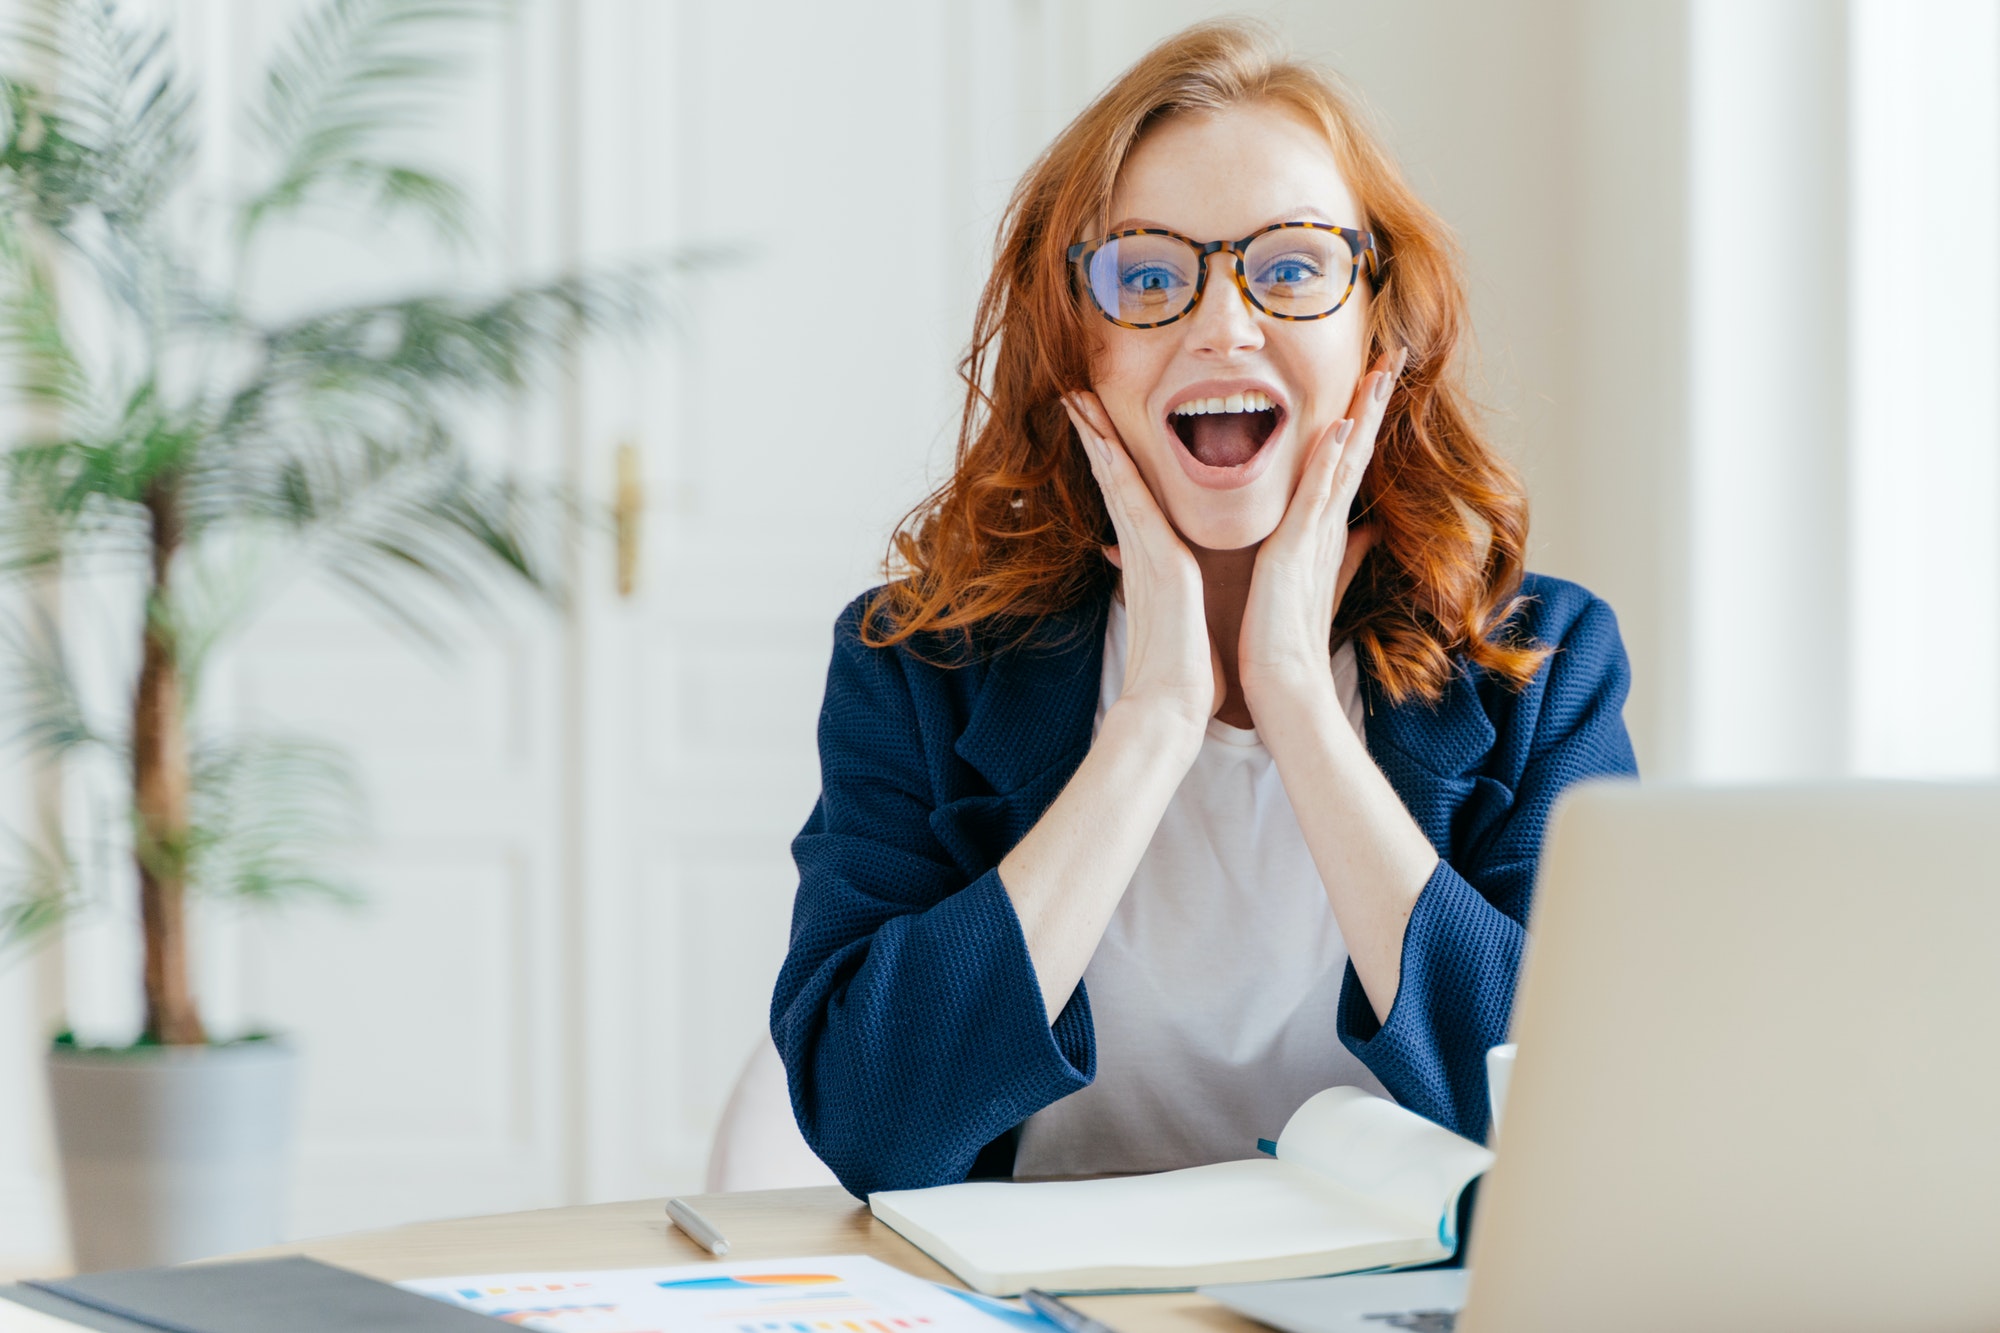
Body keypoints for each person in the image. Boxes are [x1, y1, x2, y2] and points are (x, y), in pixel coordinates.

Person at [770, 19, 1636, 1198]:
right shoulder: (915, 662)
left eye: (1289, 267)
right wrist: (1154, 722)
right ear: (1071, 342)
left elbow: (1581, 1112)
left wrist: (1297, 706)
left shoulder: (1544, 660)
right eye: (1146, 274)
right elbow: (875, 1123)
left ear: (1376, 326)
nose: (1222, 325)